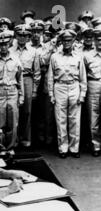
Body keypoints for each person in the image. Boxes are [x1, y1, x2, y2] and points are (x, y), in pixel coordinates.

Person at [47, 29, 87, 158]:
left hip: (74, 86)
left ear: (74, 41)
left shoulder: (78, 56)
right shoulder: (54, 56)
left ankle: (74, 148)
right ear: (61, 41)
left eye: (69, 40)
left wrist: (82, 94)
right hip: (60, 87)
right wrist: (51, 94)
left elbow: (83, 77)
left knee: (75, 119)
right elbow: (50, 77)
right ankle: (63, 148)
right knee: (60, 119)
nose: (67, 43)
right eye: (64, 40)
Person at [0, 32, 24, 153]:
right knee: (0, 122)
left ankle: (10, 147)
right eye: (1, 44)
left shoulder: (16, 59)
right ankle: (1, 147)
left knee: (13, 122)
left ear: (9, 44)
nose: (3, 47)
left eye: (5, 44)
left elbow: (20, 78)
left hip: (12, 91)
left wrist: (21, 95)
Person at [10, 24, 41, 148]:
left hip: (27, 79)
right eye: (20, 35)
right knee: (13, 111)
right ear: (16, 36)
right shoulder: (10, 49)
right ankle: (14, 139)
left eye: (25, 35)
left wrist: (34, 90)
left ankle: (26, 139)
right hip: (13, 80)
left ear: (29, 37)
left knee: (27, 111)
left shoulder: (34, 51)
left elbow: (37, 72)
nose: (22, 38)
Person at [83, 28, 101, 157]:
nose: (100, 42)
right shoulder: (87, 56)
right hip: (93, 83)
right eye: (98, 40)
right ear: (94, 41)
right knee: (93, 117)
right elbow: (82, 74)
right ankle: (96, 145)